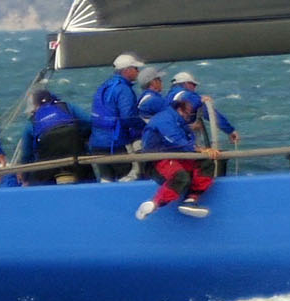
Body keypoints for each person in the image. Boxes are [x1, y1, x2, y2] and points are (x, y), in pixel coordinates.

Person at [136, 90, 221, 219]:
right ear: (181, 108)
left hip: (176, 157)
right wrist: (199, 149)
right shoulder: (164, 119)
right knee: (180, 176)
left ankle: (190, 199)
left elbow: (188, 141)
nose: (192, 114)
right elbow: (175, 140)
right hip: (156, 161)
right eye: (191, 111)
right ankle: (155, 204)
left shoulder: (179, 121)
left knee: (206, 163)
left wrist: (203, 151)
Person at [88, 52, 147, 181]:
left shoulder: (104, 87)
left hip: (97, 144)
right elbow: (128, 117)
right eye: (135, 68)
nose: (138, 71)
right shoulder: (123, 89)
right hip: (116, 144)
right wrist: (145, 127)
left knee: (106, 180)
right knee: (130, 176)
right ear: (126, 70)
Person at [23, 89, 92, 185]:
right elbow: (88, 122)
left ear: (35, 106)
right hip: (75, 154)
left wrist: (25, 177)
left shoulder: (32, 122)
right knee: (87, 175)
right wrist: (84, 135)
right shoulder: (67, 107)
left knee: (38, 181)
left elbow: (27, 154)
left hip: (48, 163)